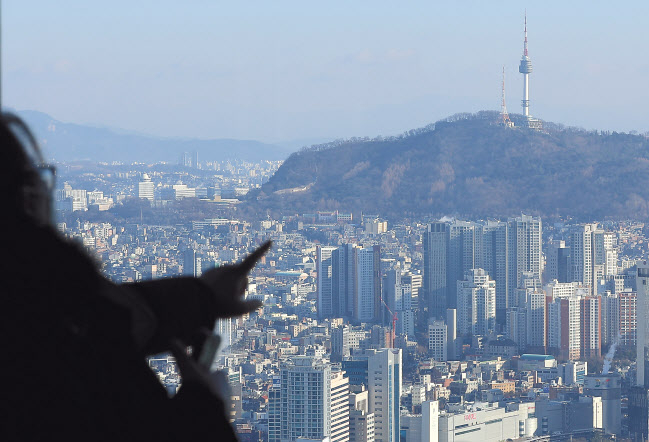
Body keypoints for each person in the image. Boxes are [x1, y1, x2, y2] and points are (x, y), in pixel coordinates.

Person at [0, 113, 269, 441]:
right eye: (40, 178)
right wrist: (206, 404)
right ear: (27, 200)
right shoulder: (55, 335)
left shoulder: (42, 318)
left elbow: (110, 321)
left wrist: (203, 298)